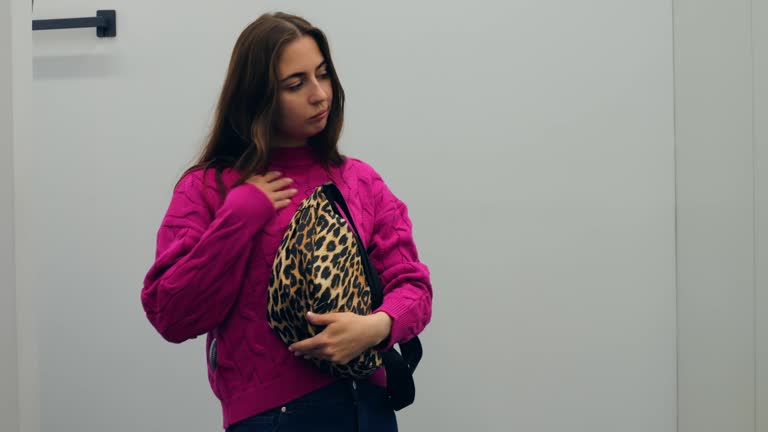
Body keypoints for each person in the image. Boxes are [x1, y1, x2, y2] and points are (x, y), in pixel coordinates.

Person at [140, 11, 433, 432]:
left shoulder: (359, 180)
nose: (320, 95)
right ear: (256, 97)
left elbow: (413, 286)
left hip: (367, 409)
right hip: (271, 418)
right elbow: (172, 314)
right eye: (296, 84)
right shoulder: (207, 188)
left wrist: (374, 327)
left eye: (323, 74)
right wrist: (240, 217)